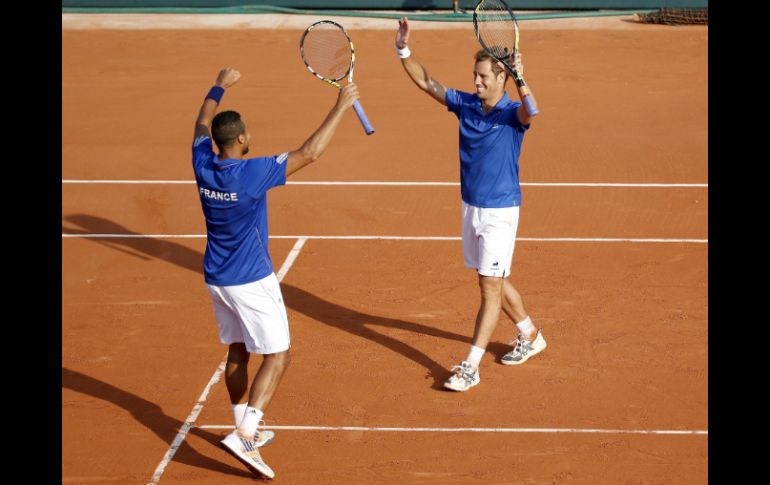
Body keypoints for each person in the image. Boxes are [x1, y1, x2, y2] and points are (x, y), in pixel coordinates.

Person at [192, 67, 359, 478]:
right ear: (242, 139)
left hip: (217, 278)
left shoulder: (201, 162)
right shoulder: (252, 173)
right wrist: (341, 105)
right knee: (278, 354)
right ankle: (246, 433)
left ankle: (241, 423)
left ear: (217, 142)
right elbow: (310, 152)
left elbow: (200, 122)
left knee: (237, 350)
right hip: (251, 281)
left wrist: (218, 87)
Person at [395, 18, 547, 392]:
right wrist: (403, 49)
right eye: (475, 76)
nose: (476, 82)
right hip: (471, 207)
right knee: (493, 278)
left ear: (500, 79)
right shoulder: (465, 104)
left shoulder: (512, 115)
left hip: (499, 210)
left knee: (488, 286)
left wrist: (522, 76)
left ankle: (471, 366)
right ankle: (529, 333)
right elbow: (426, 81)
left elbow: (533, 111)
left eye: (483, 77)